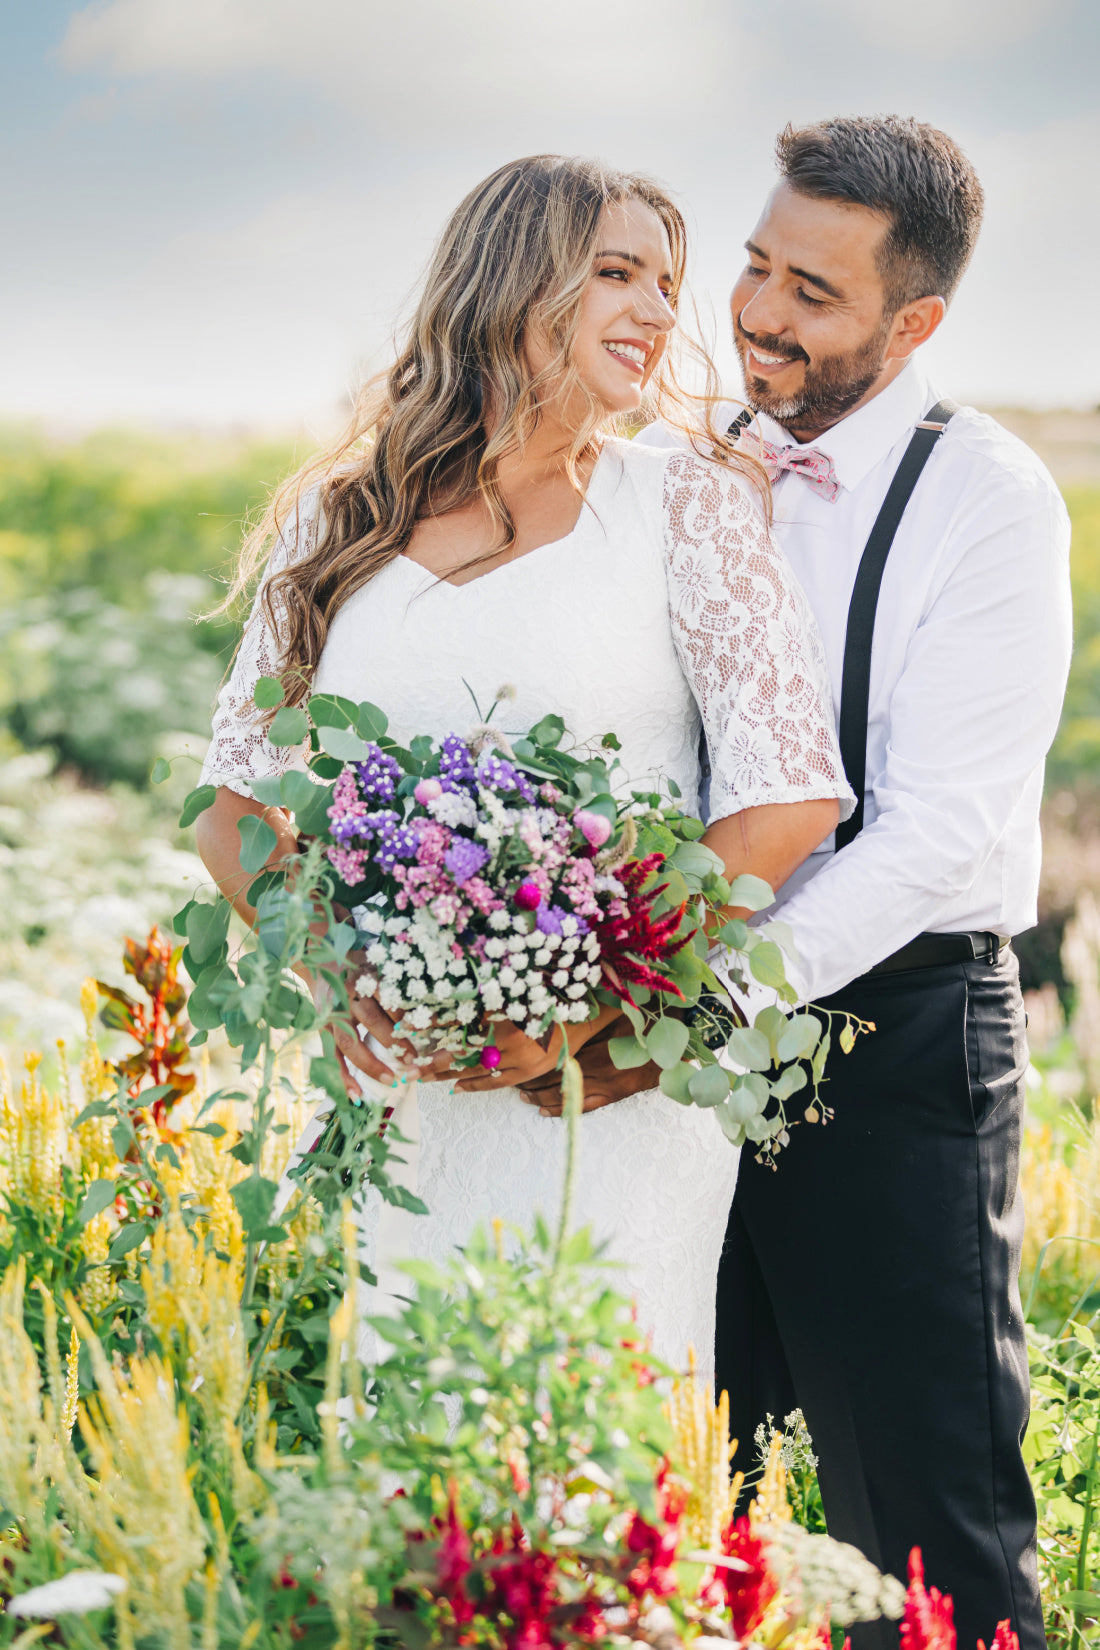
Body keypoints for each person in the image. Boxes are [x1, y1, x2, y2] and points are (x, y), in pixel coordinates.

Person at [543, 117, 1071, 1649]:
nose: (759, 312)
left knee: (922, 1521)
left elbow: (928, 836)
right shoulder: (660, 474)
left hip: (891, 1039)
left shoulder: (986, 499)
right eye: (757, 265)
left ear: (914, 324)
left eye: (813, 293)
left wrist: (686, 1002)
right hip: (661, 1035)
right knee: (679, 1491)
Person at [193, 155, 851, 1377]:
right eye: (617, 274)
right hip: (406, 1097)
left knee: (595, 1448)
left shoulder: (687, 504)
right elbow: (233, 811)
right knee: (402, 1442)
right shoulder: (341, 515)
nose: (660, 314)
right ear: (512, 280)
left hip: (601, 1096)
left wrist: (586, 1005)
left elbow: (785, 794)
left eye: (668, 283)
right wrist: (350, 983)